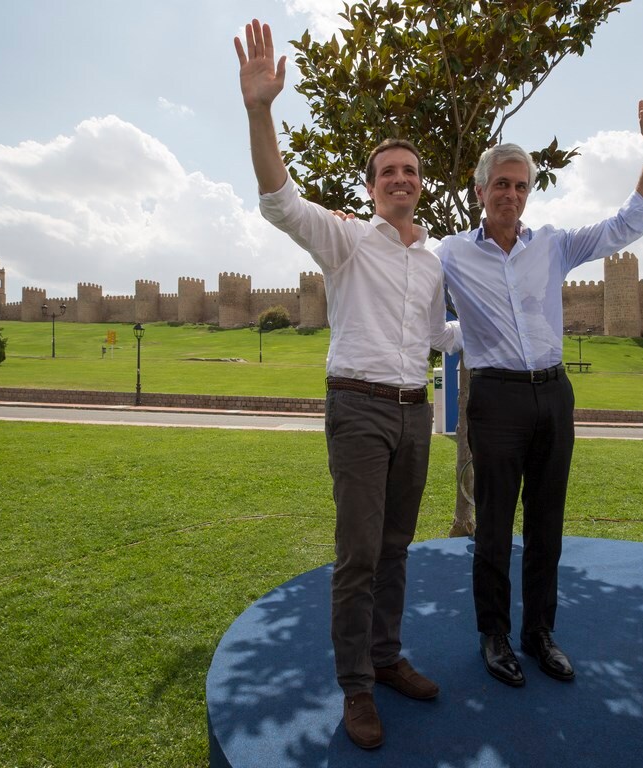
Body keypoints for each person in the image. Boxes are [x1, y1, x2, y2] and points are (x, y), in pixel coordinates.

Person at [234, 19, 461, 750]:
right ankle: (356, 688)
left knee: (397, 549)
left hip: (413, 413)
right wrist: (260, 110)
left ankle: (388, 660)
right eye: (388, 171)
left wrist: (513, 329)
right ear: (370, 188)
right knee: (359, 554)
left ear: (423, 186)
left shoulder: (432, 263)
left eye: (411, 171)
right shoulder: (346, 239)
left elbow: (439, 339)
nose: (401, 178)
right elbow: (280, 203)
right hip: (359, 410)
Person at [438, 100, 643, 687]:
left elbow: (627, 225)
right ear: (479, 190)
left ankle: (538, 632)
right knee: (493, 526)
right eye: (500, 184)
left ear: (529, 193)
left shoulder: (554, 245)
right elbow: (404, 279)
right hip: (495, 401)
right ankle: (493, 635)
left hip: (553, 396)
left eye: (520, 186)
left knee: (547, 524)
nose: (510, 194)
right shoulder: (451, 253)